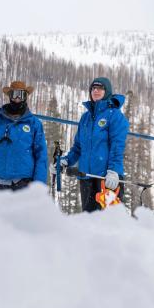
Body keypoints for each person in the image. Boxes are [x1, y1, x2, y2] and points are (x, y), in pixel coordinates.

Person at [57, 77, 129, 212]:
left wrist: (113, 171)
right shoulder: (85, 118)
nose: (96, 91)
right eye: (93, 88)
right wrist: (66, 161)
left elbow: (117, 146)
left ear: (107, 91)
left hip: (107, 179)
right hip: (86, 178)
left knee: (109, 223)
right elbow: (78, 147)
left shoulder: (114, 115)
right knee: (89, 223)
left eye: (100, 88)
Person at [0, 80, 48, 191]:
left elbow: (41, 156)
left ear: (25, 97)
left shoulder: (34, 124)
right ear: (9, 96)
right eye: (14, 94)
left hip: (22, 185)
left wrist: (39, 186)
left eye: (21, 95)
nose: (17, 99)